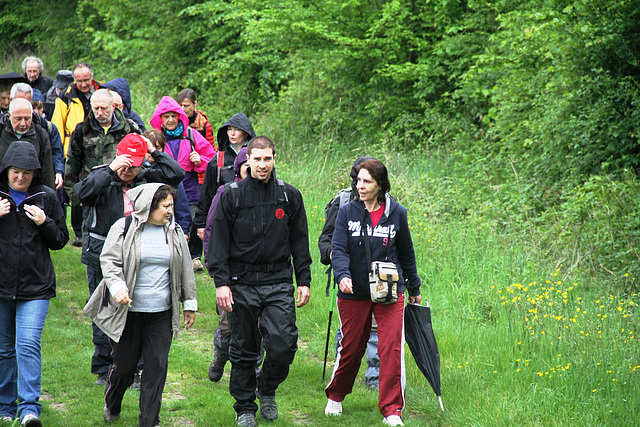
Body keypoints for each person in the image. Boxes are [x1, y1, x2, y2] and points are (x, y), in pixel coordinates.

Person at [208, 136, 312, 427]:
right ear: (248, 160)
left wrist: (303, 279)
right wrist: (221, 282)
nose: (263, 165)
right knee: (244, 347)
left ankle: (266, 388)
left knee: (283, 343)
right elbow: (218, 243)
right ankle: (244, 408)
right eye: (257, 159)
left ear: (275, 159)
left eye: (268, 159)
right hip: (241, 282)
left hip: (278, 280)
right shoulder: (232, 195)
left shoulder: (289, 196)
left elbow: (300, 242)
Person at [73, 133, 183, 386]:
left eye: (133, 166)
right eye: (124, 164)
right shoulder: (102, 174)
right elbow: (82, 194)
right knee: (104, 310)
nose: (128, 171)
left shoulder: (147, 177)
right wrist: (111, 169)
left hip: (139, 255)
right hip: (103, 255)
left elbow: (175, 174)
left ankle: (134, 368)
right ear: (116, 157)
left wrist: (152, 152)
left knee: (137, 312)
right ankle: (104, 367)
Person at [84, 183, 197, 427]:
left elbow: (186, 267)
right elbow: (109, 261)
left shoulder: (174, 231)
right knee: (124, 369)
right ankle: (113, 403)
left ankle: (149, 421)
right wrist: (118, 288)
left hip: (161, 314)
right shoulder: (124, 227)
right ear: (149, 206)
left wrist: (189, 303)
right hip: (129, 313)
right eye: (165, 206)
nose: (170, 211)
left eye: (171, 206)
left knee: (156, 369)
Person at [324, 159, 422, 427]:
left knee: (390, 347)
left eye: (367, 181)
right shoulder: (347, 212)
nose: (361, 186)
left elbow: (407, 253)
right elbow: (339, 249)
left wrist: (414, 287)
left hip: (389, 290)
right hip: (353, 290)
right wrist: (342, 275)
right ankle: (336, 395)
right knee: (352, 347)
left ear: (380, 185)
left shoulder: (397, 212)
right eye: (359, 181)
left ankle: (392, 410)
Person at [0, 141, 69, 427]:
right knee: (4, 349)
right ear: (6, 170)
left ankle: (29, 409)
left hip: (36, 286)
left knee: (26, 344)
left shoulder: (46, 197)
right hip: (1, 285)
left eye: (27, 173)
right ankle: (5, 406)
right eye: (16, 172)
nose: (20, 178)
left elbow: (61, 240)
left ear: (35, 173)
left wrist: (45, 222)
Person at [318, 156, 380, 390]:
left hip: (378, 274)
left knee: (375, 326)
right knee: (349, 327)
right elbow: (325, 238)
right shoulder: (342, 202)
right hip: (348, 275)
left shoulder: (387, 204)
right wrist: (334, 255)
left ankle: (374, 379)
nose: (361, 185)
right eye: (359, 179)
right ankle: (343, 371)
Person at [65, 88, 140, 248]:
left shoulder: (129, 128)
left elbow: (141, 159)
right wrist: (76, 197)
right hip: (91, 192)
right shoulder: (81, 130)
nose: (100, 112)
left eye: (104, 108)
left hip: (121, 192)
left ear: (113, 107)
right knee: (93, 242)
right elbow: (72, 166)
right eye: (96, 108)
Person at [150, 96, 215, 272]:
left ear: (179, 116)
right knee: (167, 219)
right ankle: (170, 256)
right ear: (160, 118)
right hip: (165, 186)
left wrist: (200, 160)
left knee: (193, 221)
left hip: (190, 186)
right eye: (166, 117)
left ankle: (194, 257)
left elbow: (212, 159)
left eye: (173, 116)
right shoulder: (156, 137)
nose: (170, 120)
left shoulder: (191, 135)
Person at [204, 147, 249, 382]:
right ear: (239, 169)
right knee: (228, 325)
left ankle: (254, 372)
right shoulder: (224, 193)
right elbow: (211, 231)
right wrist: (214, 267)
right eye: (247, 167)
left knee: (258, 326)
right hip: (230, 272)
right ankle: (221, 355)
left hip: (259, 276)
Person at [52, 62, 103, 247]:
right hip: (73, 145)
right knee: (76, 184)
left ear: (92, 77)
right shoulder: (65, 97)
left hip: (98, 146)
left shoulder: (102, 92)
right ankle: (79, 231)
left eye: (86, 80)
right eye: (79, 81)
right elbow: (57, 126)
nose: (83, 84)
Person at [195, 113, 255, 244]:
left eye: (237, 130)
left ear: (246, 133)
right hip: (223, 216)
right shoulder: (218, 160)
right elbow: (207, 193)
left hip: (252, 214)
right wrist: (201, 223)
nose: (232, 134)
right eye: (229, 129)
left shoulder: (258, 157)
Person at [9, 83, 64, 191]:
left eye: (28, 102)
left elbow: (50, 160)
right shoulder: (3, 129)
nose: (23, 123)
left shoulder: (42, 129)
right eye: (18, 119)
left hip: (35, 188)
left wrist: (58, 171)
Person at [142, 129, 191, 239]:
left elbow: (181, 202)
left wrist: (184, 229)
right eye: (148, 149)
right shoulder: (138, 169)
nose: (151, 153)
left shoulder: (169, 170)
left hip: (168, 224)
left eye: (157, 148)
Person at [0, 98, 55, 190]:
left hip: (32, 191)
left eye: (27, 119)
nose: (23, 124)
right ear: (9, 115)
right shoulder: (1, 132)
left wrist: (49, 197)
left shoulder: (40, 134)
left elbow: (47, 170)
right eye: (18, 119)